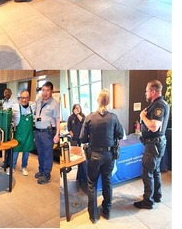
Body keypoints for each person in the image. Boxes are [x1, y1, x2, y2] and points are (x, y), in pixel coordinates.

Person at [80, 89, 124, 223]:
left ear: (97, 100)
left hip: (94, 155)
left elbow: (82, 139)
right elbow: (120, 135)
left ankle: (93, 216)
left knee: (92, 184)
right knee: (107, 182)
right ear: (109, 101)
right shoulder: (114, 117)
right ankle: (107, 211)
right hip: (109, 155)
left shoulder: (89, 117)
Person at [134, 80, 170, 210]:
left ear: (153, 91)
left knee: (147, 172)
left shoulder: (158, 105)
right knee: (155, 170)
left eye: (147, 90)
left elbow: (154, 126)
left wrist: (142, 116)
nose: (146, 93)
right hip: (157, 144)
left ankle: (147, 202)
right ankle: (156, 195)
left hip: (153, 144)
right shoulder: (159, 103)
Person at [33, 82, 60, 184]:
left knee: (47, 154)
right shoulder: (38, 100)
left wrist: (57, 134)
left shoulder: (55, 104)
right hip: (38, 131)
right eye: (43, 90)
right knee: (40, 153)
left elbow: (57, 119)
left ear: (52, 91)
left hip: (47, 133)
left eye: (47, 90)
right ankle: (41, 170)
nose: (45, 93)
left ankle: (46, 174)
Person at [12, 90, 35, 176]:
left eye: (25, 98)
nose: (24, 100)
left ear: (28, 98)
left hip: (29, 135)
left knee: (26, 151)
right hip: (19, 134)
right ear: (19, 98)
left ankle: (24, 167)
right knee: (15, 151)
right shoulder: (15, 107)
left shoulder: (33, 106)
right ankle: (13, 167)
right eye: (22, 98)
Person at [68, 103, 88, 183]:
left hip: (82, 138)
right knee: (74, 153)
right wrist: (70, 132)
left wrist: (78, 114)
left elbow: (83, 122)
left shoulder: (83, 116)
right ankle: (71, 167)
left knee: (81, 154)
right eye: (76, 108)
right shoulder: (71, 117)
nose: (78, 109)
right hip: (74, 138)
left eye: (79, 108)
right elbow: (69, 126)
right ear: (73, 109)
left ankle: (81, 169)